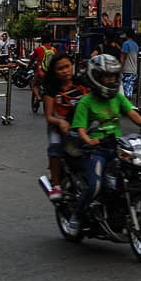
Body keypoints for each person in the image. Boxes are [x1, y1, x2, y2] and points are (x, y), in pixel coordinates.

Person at [65, 54, 141, 235]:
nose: (111, 80)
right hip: (96, 150)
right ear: (96, 78)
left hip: (116, 147)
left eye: (114, 76)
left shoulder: (117, 98)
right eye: (107, 76)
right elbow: (80, 128)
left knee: (133, 174)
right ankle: (75, 217)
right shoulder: (86, 102)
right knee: (95, 185)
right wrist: (88, 140)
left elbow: (131, 112)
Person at [41, 53, 87, 201]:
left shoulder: (81, 83)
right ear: (54, 71)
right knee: (55, 148)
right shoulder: (51, 90)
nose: (65, 71)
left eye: (67, 66)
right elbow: (49, 117)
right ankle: (56, 184)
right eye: (60, 68)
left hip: (82, 125)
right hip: (58, 126)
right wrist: (60, 122)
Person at [119, 29, 141, 99]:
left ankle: (127, 106)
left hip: (126, 70)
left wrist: (120, 67)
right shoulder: (136, 45)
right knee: (129, 89)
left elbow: (123, 57)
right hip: (134, 70)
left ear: (126, 35)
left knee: (126, 92)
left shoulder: (126, 44)